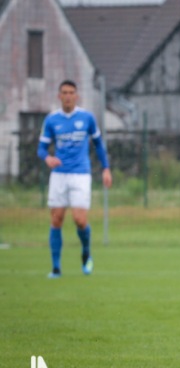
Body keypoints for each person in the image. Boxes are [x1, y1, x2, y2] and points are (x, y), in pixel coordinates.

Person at [38, 80, 112, 278]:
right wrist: (47, 158)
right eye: (64, 92)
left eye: (71, 92)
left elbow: (98, 144)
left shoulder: (86, 118)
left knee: (79, 220)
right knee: (56, 219)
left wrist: (106, 168)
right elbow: (41, 148)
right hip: (59, 175)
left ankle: (86, 252)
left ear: (77, 96)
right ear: (59, 96)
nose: (68, 96)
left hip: (81, 173)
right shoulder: (52, 120)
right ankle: (56, 268)